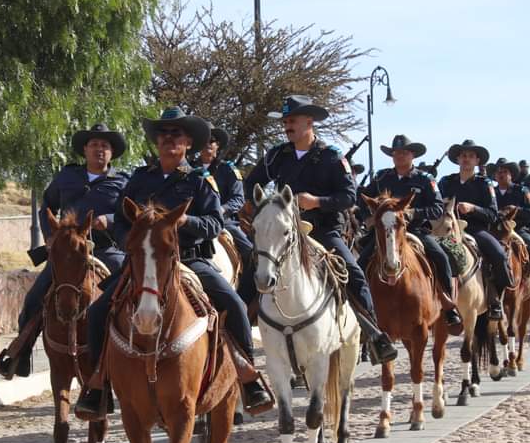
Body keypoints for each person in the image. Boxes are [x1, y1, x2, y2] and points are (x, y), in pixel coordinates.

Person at [74, 107, 272, 417]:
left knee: (232, 303)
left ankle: (248, 377)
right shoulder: (140, 178)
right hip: (144, 262)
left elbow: (214, 224)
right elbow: (123, 221)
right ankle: (98, 383)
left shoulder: (199, 179)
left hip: (189, 260)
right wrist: (134, 243)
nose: (168, 139)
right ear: (156, 142)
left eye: (175, 134)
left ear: (188, 143)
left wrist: (181, 222)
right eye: (163, 134)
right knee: (99, 311)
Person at [243, 96, 398, 365]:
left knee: (354, 274)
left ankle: (375, 335)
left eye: (292, 121)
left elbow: (349, 196)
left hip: (323, 231)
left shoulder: (331, 156)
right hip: (284, 233)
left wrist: (317, 202)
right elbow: (253, 181)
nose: (287, 126)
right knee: (250, 275)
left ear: (309, 122)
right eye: (285, 121)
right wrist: (257, 205)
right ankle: (237, 342)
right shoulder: (277, 155)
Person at [0, 123, 130, 379]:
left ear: (112, 152)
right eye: (94, 145)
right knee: (34, 298)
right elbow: (47, 204)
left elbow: (132, 212)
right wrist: (49, 236)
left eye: (105, 146)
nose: (99, 149)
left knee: (128, 292)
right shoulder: (67, 177)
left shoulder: (123, 182)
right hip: (67, 254)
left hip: (106, 250)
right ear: (85, 150)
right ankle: (19, 355)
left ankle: (131, 352)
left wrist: (110, 220)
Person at [357, 134, 463, 330]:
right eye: (396, 153)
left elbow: (437, 208)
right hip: (385, 231)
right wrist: (369, 217)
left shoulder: (425, 179)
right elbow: (361, 197)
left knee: (441, 257)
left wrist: (413, 213)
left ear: (412, 155)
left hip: (415, 230)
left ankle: (449, 306)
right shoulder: (382, 177)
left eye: (404, 153)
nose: (399, 156)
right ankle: (360, 308)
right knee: (361, 262)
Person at [439, 139, 513, 321]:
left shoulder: (484, 184)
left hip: (475, 229)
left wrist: (473, 208)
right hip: (447, 229)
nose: (466, 159)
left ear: (477, 161)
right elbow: (434, 205)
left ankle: (495, 300)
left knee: (498, 255)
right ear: (457, 159)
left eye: (470, 156)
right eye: (463, 155)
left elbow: (493, 214)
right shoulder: (446, 182)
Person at [193, 127, 253, 281]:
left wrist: (220, 209)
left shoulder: (228, 169)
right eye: (204, 141)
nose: (207, 144)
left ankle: (252, 297)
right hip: (193, 221)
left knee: (251, 254)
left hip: (224, 222)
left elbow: (238, 199)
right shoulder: (188, 169)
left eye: (211, 141)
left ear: (217, 145)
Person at [493, 158, 530, 310]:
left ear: (511, 175)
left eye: (505, 172)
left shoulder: (522, 191)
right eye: (498, 172)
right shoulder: (490, 191)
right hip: (494, 231)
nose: (501, 175)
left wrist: (517, 210)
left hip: (518, 230)